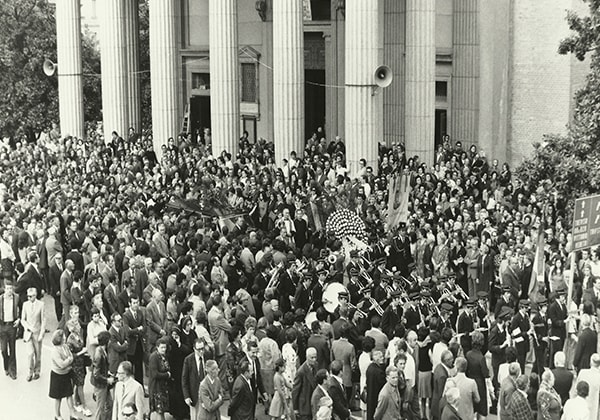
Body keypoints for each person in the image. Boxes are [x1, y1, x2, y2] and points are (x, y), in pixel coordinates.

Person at [65, 317, 92, 417]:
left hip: (81, 364)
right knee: (79, 386)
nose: (79, 326)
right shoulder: (70, 340)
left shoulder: (78, 335)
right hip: (75, 366)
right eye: (77, 325)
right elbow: (71, 355)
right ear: (72, 328)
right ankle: (84, 407)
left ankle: (77, 402)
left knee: (79, 385)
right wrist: (82, 351)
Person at [49, 330, 76, 420]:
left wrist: (68, 360)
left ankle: (72, 414)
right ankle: (58, 415)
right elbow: (61, 364)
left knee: (69, 394)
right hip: (58, 376)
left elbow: (71, 356)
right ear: (59, 338)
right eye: (63, 336)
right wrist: (68, 360)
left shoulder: (65, 346)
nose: (65, 337)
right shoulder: (55, 351)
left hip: (66, 374)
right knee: (58, 397)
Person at [21, 286, 45, 381]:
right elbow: (23, 319)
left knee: (38, 354)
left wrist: (41, 333)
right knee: (30, 354)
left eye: (31, 296)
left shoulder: (41, 305)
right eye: (28, 296)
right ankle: (30, 372)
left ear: (35, 296)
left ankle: (37, 371)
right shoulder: (25, 305)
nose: (29, 298)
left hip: (37, 333)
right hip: (28, 333)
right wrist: (26, 327)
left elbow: (43, 320)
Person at [121, 294, 145, 384]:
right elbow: (127, 331)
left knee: (139, 368)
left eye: (137, 302)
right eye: (134, 303)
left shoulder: (140, 313)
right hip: (131, 345)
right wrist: (138, 329)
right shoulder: (126, 315)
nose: (136, 304)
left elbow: (144, 327)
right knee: (130, 368)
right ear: (129, 303)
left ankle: (141, 387)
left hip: (139, 344)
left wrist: (135, 330)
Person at [182, 338, 208, 420]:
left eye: (202, 349)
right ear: (194, 349)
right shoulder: (188, 360)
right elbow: (184, 379)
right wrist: (187, 396)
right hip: (194, 395)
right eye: (199, 349)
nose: (201, 351)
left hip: (207, 395)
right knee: (195, 417)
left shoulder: (208, 355)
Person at [466, 330, 490, 418]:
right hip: (479, 384)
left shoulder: (468, 354)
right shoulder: (481, 358)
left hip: (470, 381)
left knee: (472, 408)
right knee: (481, 409)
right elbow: (485, 374)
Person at [91, 330, 114, 420]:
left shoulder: (102, 351)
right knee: (100, 409)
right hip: (100, 385)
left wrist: (107, 373)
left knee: (109, 404)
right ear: (106, 341)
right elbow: (96, 374)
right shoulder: (99, 354)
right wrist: (107, 380)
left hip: (103, 383)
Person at [0, 280, 19, 379]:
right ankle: (6, 366)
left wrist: (19, 319)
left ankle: (13, 371)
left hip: (12, 326)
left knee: (12, 349)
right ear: (4, 289)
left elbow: (20, 309)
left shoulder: (16, 297)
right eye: (7, 288)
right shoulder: (0, 299)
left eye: (11, 288)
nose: (9, 290)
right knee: (3, 350)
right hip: (2, 327)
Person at [292, 347, 317, 420]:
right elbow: (295, 391)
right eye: (312, 357)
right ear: (307, 357)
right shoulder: (301, 372)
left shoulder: (316, 365)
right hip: (304, 406)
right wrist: (295, 408)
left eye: (315, 357)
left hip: (312, 403)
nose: (314, 360)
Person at [148, 337, 171, 420]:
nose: (164, 349)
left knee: (162, 411)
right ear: (157, 347)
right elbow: (155, 374)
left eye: (165, 347)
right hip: (156, 388)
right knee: (159, 411)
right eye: (162, 347)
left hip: (163, 387)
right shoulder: (154, 357)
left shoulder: (164, 356)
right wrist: (167, 375)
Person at [575, 353, 600, 420]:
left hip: (581, 406)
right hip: (594, 408)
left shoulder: (583, 373)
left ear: (591, 362)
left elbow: (576, 388)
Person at [432, 350, 454, 420]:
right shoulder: (442, 375)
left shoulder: (438, 367)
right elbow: (442, 394)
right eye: (451, 359)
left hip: (435, 402)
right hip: (439, 406)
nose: (452, 361)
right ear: (447, 361)